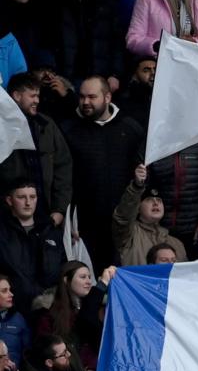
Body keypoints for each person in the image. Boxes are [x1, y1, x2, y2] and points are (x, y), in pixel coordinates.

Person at [60, 76, 145, 270]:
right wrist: (68, 220)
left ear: (107, 98)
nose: (85, 102)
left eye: (92, 97)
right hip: (83, 225)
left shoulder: (130, 128)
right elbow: (62, 177)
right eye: (82, 97)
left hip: (123, 223)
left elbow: (142, 173)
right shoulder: (68, 129)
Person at [0, 73, 73, 225]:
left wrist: (59, 210)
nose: (37, 101)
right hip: (8, 220)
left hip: (46, 217)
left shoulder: (47, 125)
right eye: (32, 96)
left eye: (38, 96)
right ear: (16, 96)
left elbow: (63, 168)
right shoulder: (2, 128)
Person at [32, 262, 112, 371]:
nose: (89, 281)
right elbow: (44, 349)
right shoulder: (48, 313)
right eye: (83, 277)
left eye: (89, 277)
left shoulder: (98, 308)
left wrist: (92, 368)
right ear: (66, 280)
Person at [0, 179, 65, 315]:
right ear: (9, 200)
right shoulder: (2, 233)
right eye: (21, 197)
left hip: (48, 312)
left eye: (32, 197)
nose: (28, 203)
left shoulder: (51, 231)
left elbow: (64, 269)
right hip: (11, 311)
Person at [112, 165, 189, 267]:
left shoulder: (177, 244)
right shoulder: (129, 235)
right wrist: (136, 187)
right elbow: (123, 217)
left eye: (159, 201)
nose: (156, 203)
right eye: (149, 200)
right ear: (138, 207)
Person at [114, 57, 157, 129]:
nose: (153, 73)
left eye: (156, 69)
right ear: (134, 76)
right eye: (146, 70)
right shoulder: (125, 101)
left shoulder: (166, 99)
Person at [0, 276, 30, 371]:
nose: (11, 294)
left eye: (10, 290)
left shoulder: (18, 319)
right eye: (4, 291)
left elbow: (28, 352)